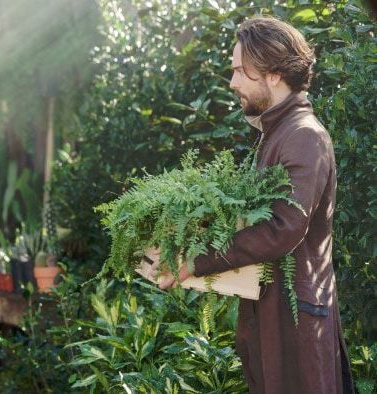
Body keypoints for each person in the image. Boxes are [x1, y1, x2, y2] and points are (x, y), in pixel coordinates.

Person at [147, 16, 354, 393]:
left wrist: (194, 262)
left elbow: (283, 228)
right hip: (271, 317)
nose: (233, 83)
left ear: (273, 74)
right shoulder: (277, 132)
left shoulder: (303, 136)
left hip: (296, 324)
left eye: (241, 71)